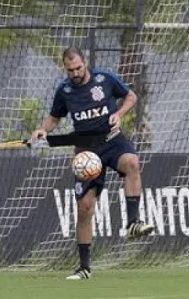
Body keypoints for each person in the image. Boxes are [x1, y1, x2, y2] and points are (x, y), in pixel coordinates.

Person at [31, 46, 155, 280]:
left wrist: (119, 114)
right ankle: (84, 267)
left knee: (131, 162)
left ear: (85, 62)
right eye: (70, 70)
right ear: (65, 69)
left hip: (112, 141)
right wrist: (42, 130)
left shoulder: (105, 79)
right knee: (85, 208)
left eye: (78, 68)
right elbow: (55, 117)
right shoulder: (65, 90)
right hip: (86, 152)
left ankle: (133, 222)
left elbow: (131, 96)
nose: (75, 73)